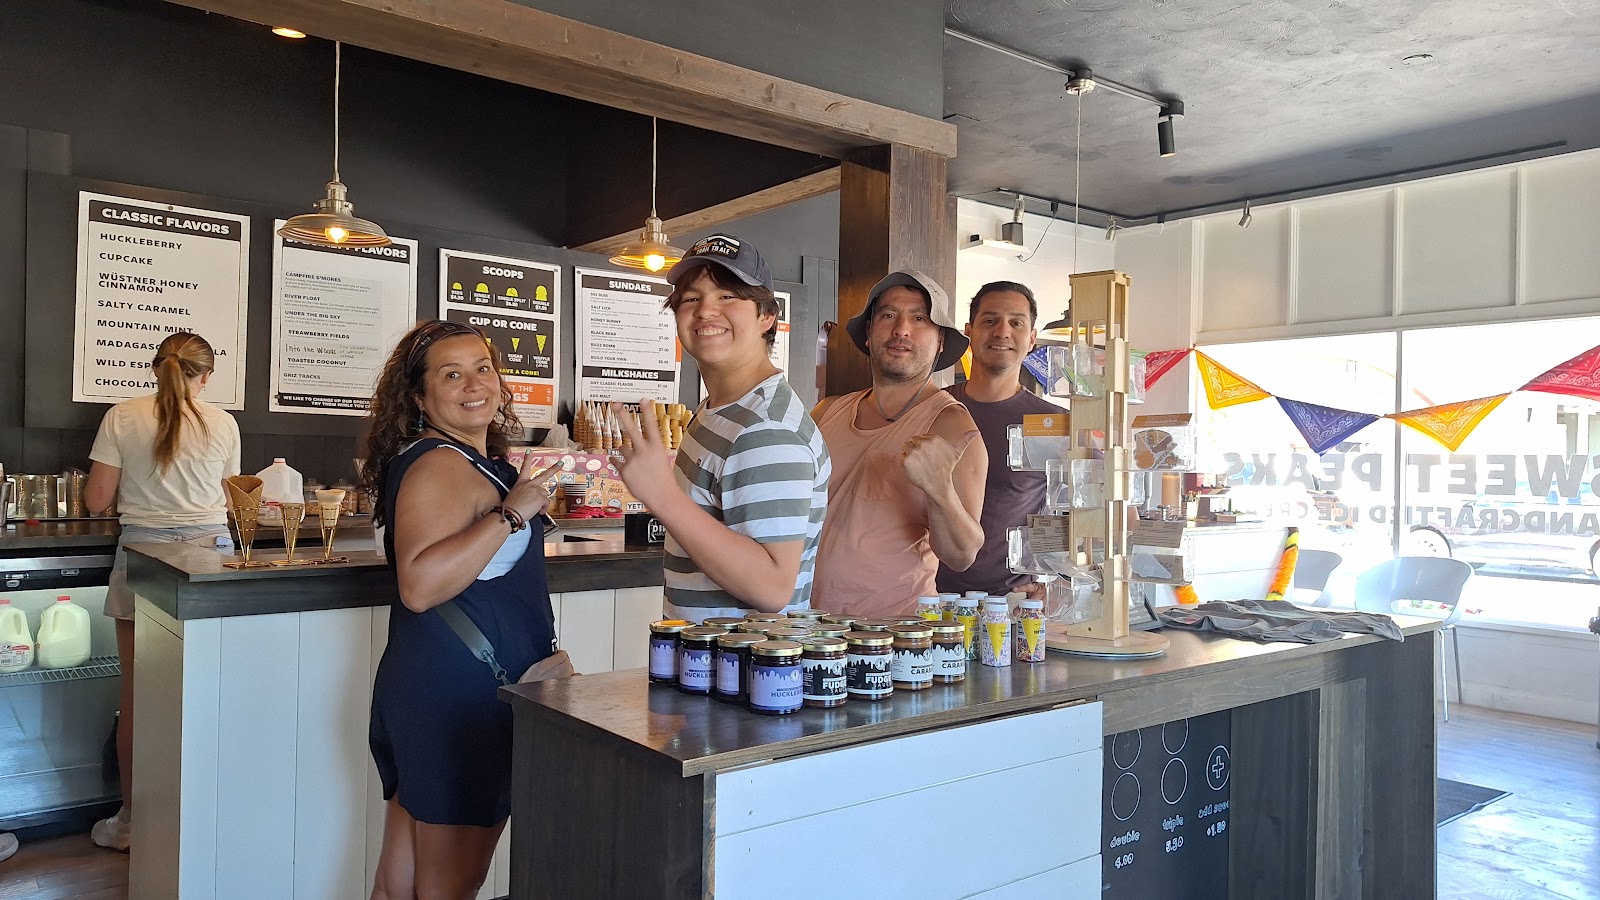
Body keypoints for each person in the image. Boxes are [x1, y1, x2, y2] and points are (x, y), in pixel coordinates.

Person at [359, 319, 561, 900]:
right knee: (449, 889)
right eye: (452, 374)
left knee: (401, 886)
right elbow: (419, 584)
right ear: (420, 397)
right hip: (463, 698)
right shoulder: (438, 463)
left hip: (439, 685)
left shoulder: (460, 458)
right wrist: (512, 512)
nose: (475, 384)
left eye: (483, 368)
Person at [612, 233, 829, 621]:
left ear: (766, 315)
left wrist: (663, 495)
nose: (706, 310)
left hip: (748, 672)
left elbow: (772, 587)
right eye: (691, 299)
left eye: (727, 296)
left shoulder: (767, 430)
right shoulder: (720, 409)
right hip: (709, 665)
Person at [85, 331, 241, 852]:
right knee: (207, 690)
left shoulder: (121, 415)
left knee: (139, 697)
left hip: (144, 557)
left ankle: (131, 823)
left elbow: (96, 499)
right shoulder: (223, 422)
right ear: (206, 376)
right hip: (210, 557)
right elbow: (233, 493)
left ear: (157, 368)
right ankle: (205, 815)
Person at [812, 270, 988, 617]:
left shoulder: (951, 425)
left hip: (892, 636)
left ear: (940, 340)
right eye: (888, 315)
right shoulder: (826, 411)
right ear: (868, 331)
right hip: (804, 626)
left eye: (920, 318)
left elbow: (961, 554)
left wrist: (939, 490)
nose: (901, 329)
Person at [937, 281, 1060, 599]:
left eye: (1016, 322)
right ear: (969, 331)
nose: (1002, 332)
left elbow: (1101, 516)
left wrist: (1056, 583)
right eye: (989, 320)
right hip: (925, 600)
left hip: (1010, 605)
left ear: (1031, 338)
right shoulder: (931, 410)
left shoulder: (1056, 425)